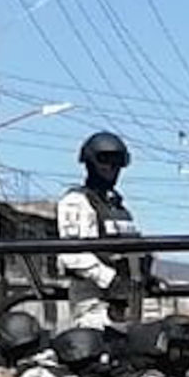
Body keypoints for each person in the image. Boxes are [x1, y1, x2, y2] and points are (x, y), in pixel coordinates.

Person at [55, 130, 141, 325]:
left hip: (128, 302)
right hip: (95, 303)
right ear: (90, 163)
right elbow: (72, 254)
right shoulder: (76, 202)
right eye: (105, 160)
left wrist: (145, 276)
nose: (111, 168)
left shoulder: (117, 207)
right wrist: (110, 280)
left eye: (117, 162)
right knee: (97, 348)